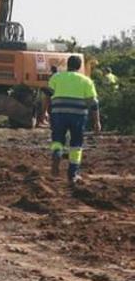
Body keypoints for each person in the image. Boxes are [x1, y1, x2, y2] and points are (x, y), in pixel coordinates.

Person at [44, 55, 100, 184]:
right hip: (78, 116)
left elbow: (47, 96)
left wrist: (44, 113)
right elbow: (93, 103)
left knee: (57, 138)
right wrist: (97, 121)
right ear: (80, 67)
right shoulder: (86, 81)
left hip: (58, 114)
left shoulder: (56, 77)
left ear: (67, 65)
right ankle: (73, 174)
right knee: (76, 144)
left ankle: (57, 152)